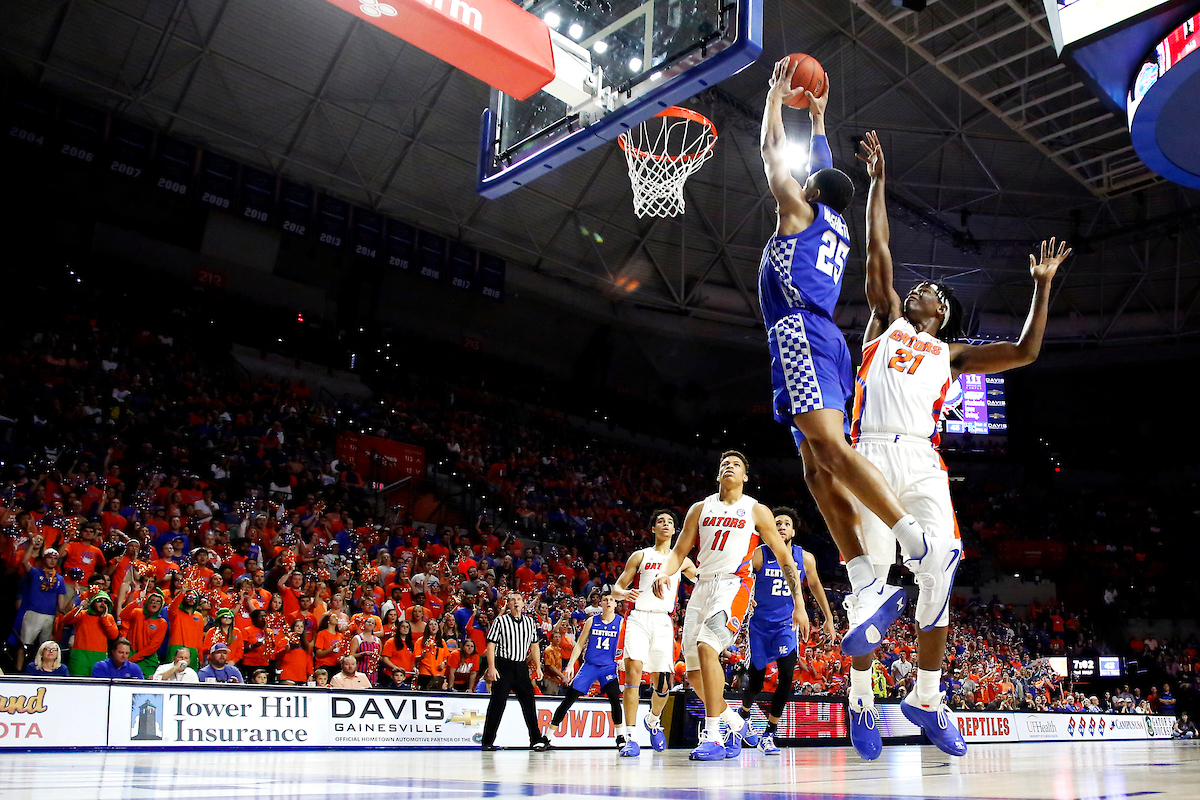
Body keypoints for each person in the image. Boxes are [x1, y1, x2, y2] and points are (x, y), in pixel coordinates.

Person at [845, 129, 1071, 760]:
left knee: (940, 568)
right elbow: (878, 251)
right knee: (871, 582)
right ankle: (861, 699)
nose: (929, 294)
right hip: (869, 455)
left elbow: (1026, 352)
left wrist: (1042, 285)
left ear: (946, 316)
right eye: (925, 289)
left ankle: (926, 694)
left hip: (920, 458)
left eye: (940, 296)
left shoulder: (953, 354)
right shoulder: (883, 321)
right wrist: (878, 183)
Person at [758, 57, 956, 660]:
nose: (797, 183)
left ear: (808, 193)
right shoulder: (833, 219)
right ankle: (865, 575)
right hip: (817, 342)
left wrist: (774, 97)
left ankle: (911, 541)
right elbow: (819, 170)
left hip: (802, 333)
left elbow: (771, 150)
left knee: (831, 452)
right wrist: (818, 120)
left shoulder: (799, 211)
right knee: (815, 468)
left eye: (805, 182)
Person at [652, 450, 807, 761]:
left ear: (745, 477)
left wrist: (799, 604)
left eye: (736, 464)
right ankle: (736, 724)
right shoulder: (700, 508)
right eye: (724, 464)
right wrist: (664, 572)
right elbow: (679, 551)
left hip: (734, 586)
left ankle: (713, 737)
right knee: (694, 674)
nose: (729, 467)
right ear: (717, 474)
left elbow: (785, 558)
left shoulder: (755, 510)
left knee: (708, 646)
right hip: (702, 587)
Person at [737, 506, 835, 755]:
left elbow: (815, 586)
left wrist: (828, 617)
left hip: (786, 625)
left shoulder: (806, 558)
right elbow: (740, 578)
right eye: (776, 522)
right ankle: (744, 714)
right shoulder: (759, 554)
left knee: (787, 676)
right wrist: (746, 597)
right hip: (759, 626)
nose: (781, 527)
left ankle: (769, 734)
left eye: (786, 524)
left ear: (793, 530)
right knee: (756, 683)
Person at [610, 508, 697, 755]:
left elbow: (702, 580)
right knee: (633, 673)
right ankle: (630, 737)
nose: (665, 524)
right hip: (638, 618)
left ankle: (653, 720)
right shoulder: (641, 556)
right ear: (653, 529)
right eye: (660, 521)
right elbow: (617, 588)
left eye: (670, 522)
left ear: (674, 529)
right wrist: (624, 594)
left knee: (663, 684)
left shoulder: (682, 560)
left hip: (663, 621)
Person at [550, 589, 627, 751]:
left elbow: (626, 644)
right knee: (569, 698)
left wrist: (623, 660)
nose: (608, 602)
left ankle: (620, 737)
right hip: (590, 665)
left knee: (614, 698)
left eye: (611, 600)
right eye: (605, 599)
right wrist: (571, 664)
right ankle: (547, 736)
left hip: (608, 667)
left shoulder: (621, 622)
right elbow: (579, 644)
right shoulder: (592, 621)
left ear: (615, 604)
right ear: (601, 603)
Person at [481, 592, 551, 751]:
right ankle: (487, 741)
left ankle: (536, 739)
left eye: (519, 599)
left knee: (529, 703)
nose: (516, 602)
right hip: (503, 665)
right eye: (513, 600)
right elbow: (491, 645)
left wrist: (538, 667)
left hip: (521, 666)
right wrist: (491, 667)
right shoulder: (500, 621)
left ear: (524, 604)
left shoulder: (530, 622)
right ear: (509, 604)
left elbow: (534, 645)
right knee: (497, 703)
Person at [13, 539, 69, 671]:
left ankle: (43, 670)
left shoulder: (60, 578)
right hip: (33, 612)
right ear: (44, 559)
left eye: (55, 559)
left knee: (46, 647)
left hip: (49, 616)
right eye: (49, 558)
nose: (52, 561)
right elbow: (24, 562)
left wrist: (60, 614)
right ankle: (18, 670)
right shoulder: (35, 572)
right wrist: (32, 545)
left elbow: (60, 599)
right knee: (24, 643)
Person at [63, 591, 119, 677]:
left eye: (105, 602)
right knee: (77, 684)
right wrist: (79, 607)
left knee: (98, 685)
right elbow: (66, 620)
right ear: (93, 601)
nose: (103, 604)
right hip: (80, 656)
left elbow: (114, 635)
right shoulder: (82, 614)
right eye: (99, 600)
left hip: (99, 657)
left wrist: (104, 619)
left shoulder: (109, 618)